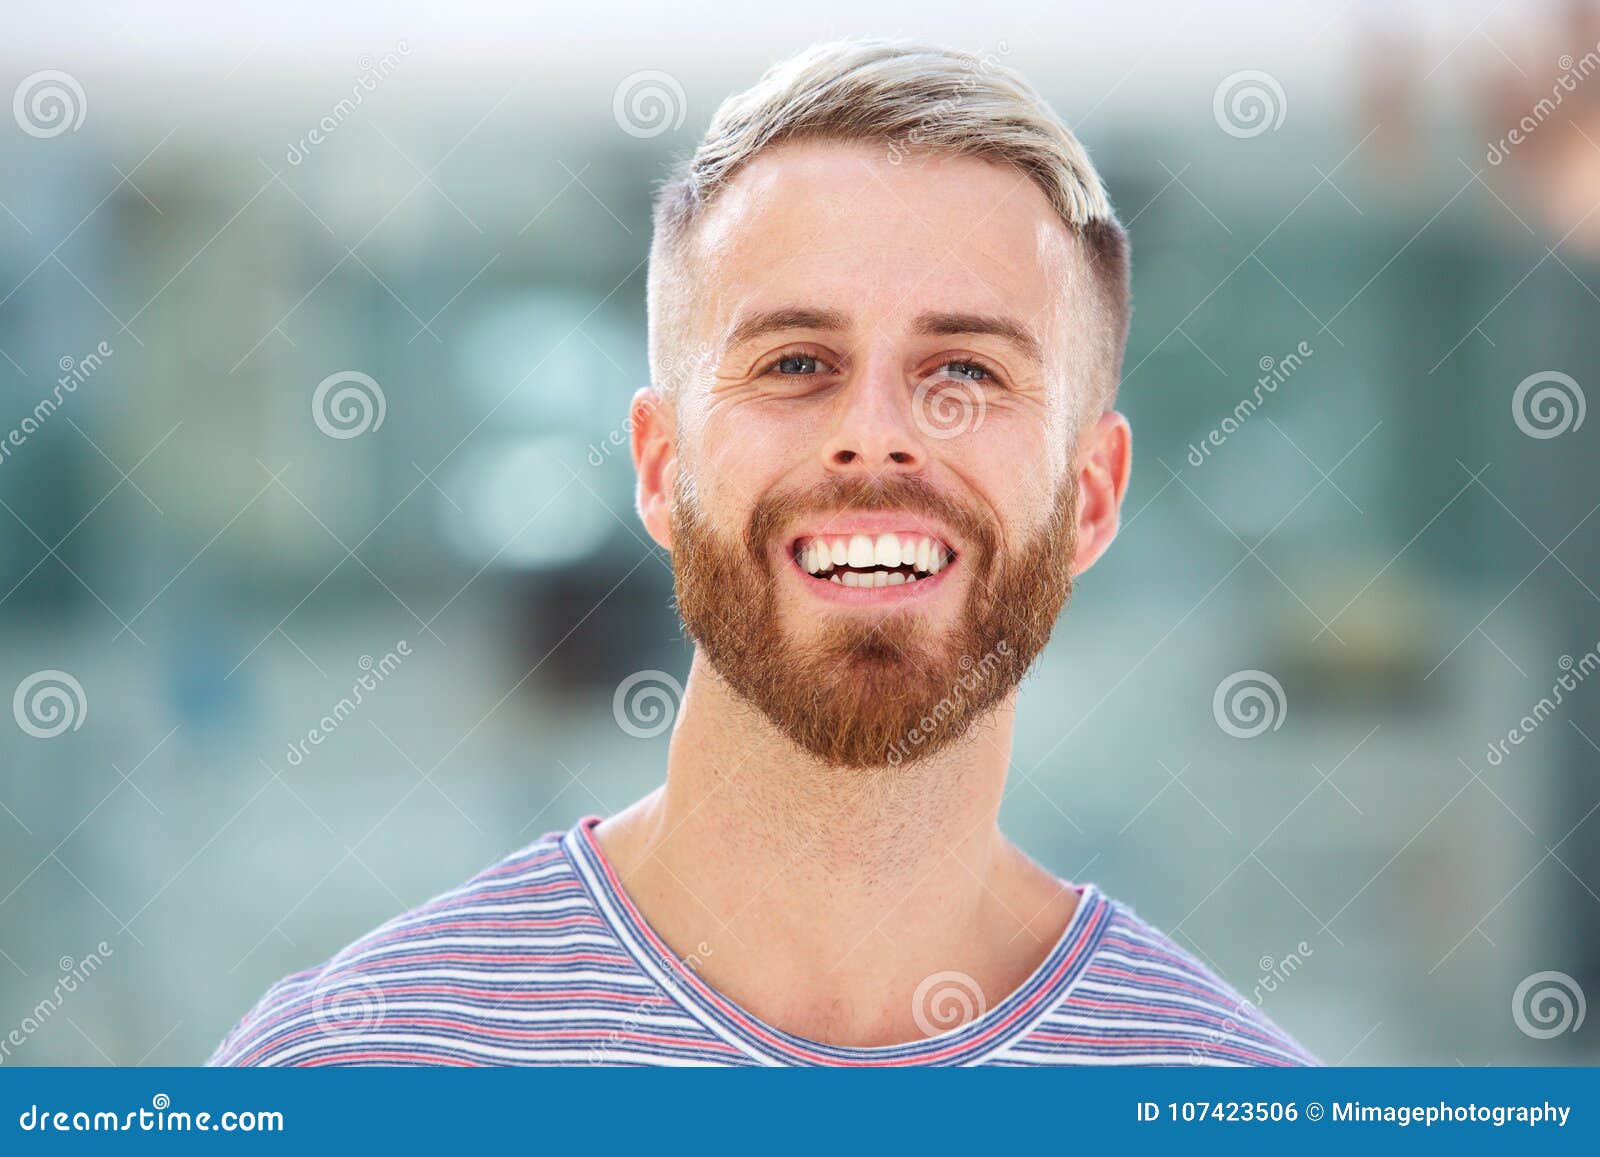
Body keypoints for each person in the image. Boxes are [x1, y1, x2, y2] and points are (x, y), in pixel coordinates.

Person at [210, 38, 1315, 1067]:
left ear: (1090, 495)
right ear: (657, 466)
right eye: (794, 362)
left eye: (966, 372)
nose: (875, 433)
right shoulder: (343, 1069)